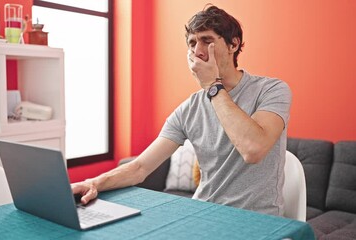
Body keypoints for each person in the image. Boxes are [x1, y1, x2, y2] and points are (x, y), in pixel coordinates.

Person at [72, 4, 291, 216]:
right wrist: (93, 183)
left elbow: (253, 149)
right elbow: (140, 167)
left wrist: (213, 87)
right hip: (203, 213)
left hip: (257, 220)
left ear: (233, 44)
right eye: (192, 43)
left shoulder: (271, 90)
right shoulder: (188, 109)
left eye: (207, 41)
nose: (198, 51)